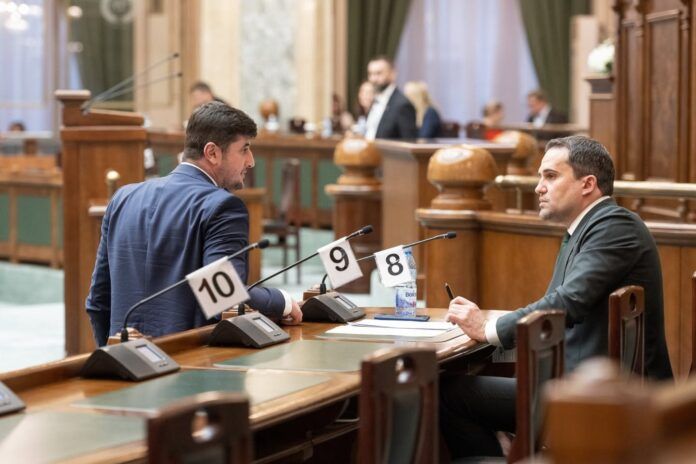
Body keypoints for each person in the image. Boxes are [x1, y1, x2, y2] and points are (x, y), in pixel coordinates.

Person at [440, 136, 672, 458]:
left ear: (587, 184)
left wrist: (488, 328)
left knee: (447, 394)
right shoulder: (587, 229)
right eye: (540, 177)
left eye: (550, 176)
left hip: (603, 394)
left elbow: (566, 304)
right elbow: (556, 305)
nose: (539, 187)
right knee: (461, 386)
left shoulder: (615, 227)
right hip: (584, 384)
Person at [86, 102, 302, 347]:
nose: (251, 161)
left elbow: (98, 302)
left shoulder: (123, 198)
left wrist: (110, 355)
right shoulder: (223, 206)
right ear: (212, 153)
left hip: (125, 361)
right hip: (187, 360)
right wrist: (281, 300)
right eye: (244, 149)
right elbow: (225, 297)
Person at [364, 56, 417, 140]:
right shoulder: (374, 100)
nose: (373, 79)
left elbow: (409, 142)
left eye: (378, 73)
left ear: (392, 74)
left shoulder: (402, 105)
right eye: (370, 74)